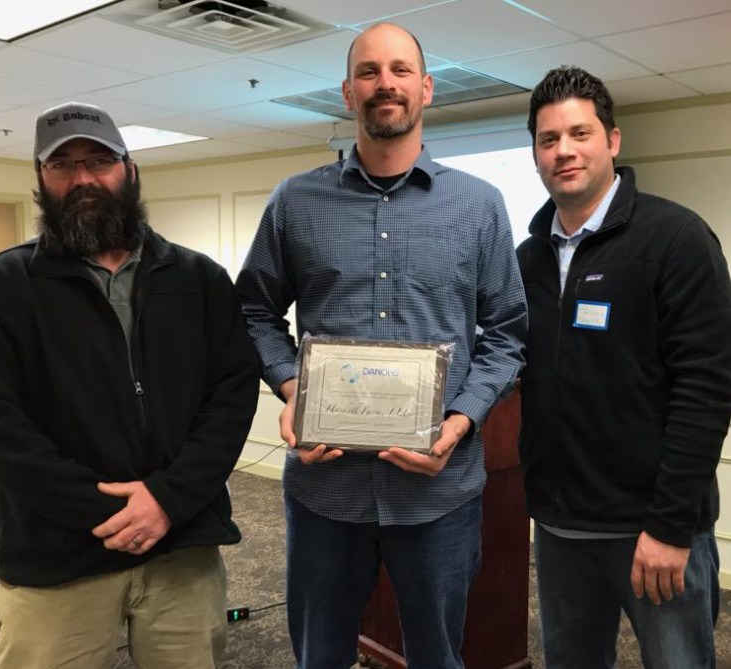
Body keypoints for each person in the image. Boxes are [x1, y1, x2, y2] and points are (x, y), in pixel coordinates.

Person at [236, 22, 527, 669]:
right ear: (347, 92)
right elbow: (252, 309)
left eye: (399, 70)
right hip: (324, 490)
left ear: (425, 88)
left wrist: (457, 422)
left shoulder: (478, 206)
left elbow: (506, 333)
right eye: (368, 71)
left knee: (437, 655)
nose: (384, 83)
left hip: (439, 492)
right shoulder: (296, 202)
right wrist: (291, 386)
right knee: (319, 656)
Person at [0, 101, 260, 669]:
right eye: (63, 166)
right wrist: (101, 510)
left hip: (182, 547)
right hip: (56, 556)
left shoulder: (199, 279)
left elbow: (230, 397)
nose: (83, 179)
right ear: (40, 180)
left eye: (99, 161)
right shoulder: (1, 287)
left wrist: (167, 499)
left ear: (130, 171)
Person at [517, 65, 731, 669]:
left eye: (580, 134)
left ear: (613, 140)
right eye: (549, 139)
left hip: (655, 533)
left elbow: (707, 390)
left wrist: (668, 528)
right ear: (535, 153)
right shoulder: (527, 258)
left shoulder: (676, 239)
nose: (564, 151)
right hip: (560, 528)